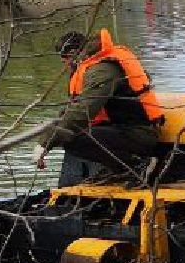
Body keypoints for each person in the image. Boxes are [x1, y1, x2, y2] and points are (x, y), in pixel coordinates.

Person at [36, 29, 165, 178]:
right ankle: (119, 168)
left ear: (72, 55)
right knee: (68, 133)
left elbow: (84, 110)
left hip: (138, 132)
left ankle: (139, 164)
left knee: (73, 139)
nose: (65, 67)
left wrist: (46, 143)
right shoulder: (96, 66)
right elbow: (70, 111)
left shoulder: (103, 70)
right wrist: (47, 139)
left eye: (64, 62)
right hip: (121, 129)